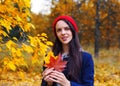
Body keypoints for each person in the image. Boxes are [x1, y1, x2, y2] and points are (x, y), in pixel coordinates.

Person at [41, 15, 94, 86]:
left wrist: (68, 84)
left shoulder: (86, 58)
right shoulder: (50, 58)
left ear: (73, 31)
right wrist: (49, 83)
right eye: (59, 30)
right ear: (56, 34)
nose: (63, 33)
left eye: (67, 28)